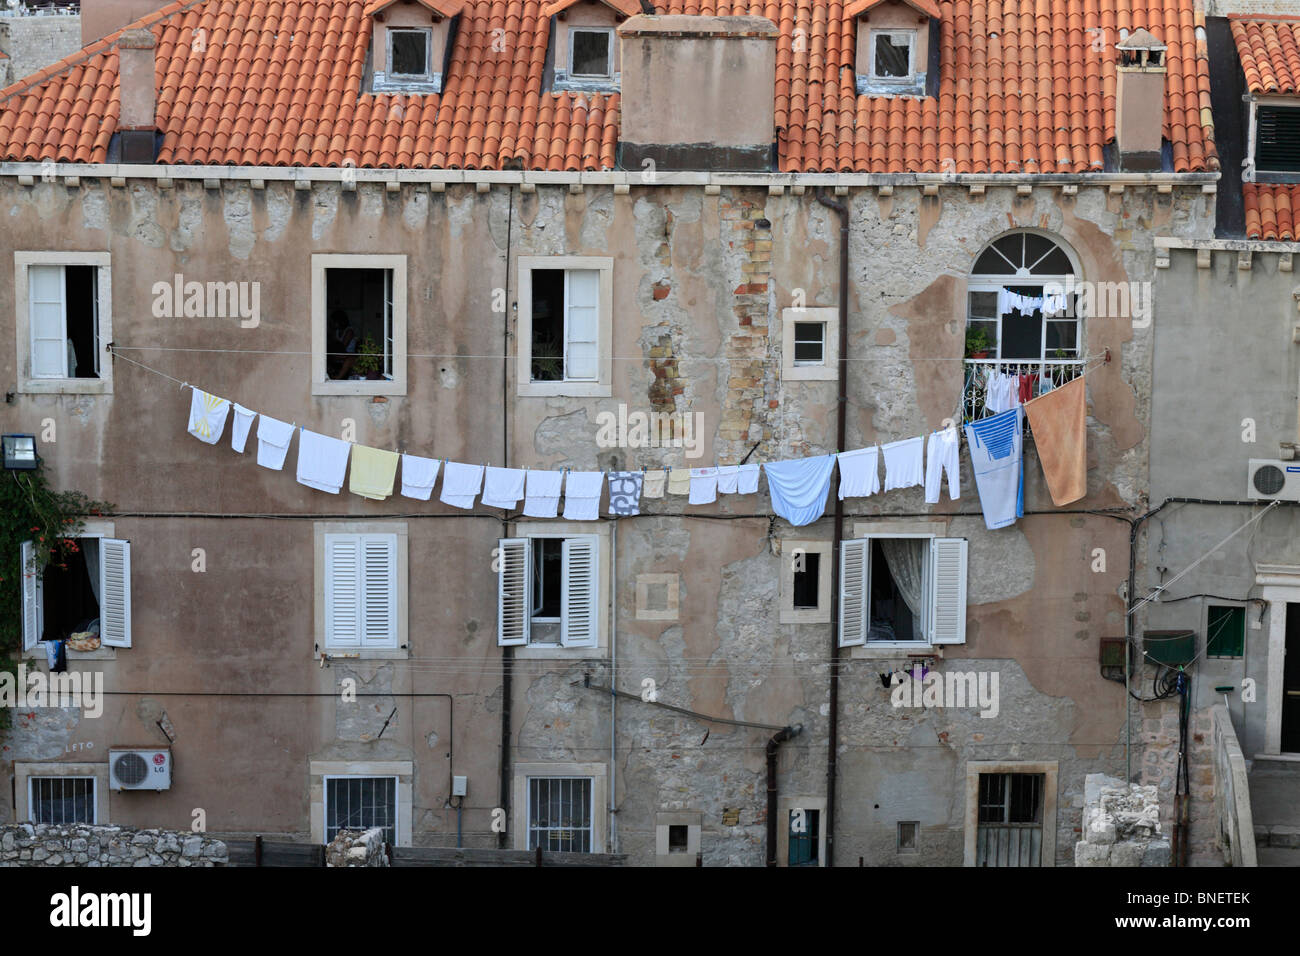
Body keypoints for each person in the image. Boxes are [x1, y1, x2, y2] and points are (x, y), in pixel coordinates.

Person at [328, 310, 359, 379]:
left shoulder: (349, 331)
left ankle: (338, 377)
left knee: (348, 359)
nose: (333, 323)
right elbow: (333, 345)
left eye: (334, 321)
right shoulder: (337, 331)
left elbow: (342, 346)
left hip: (348, 354)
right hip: (340, 354)